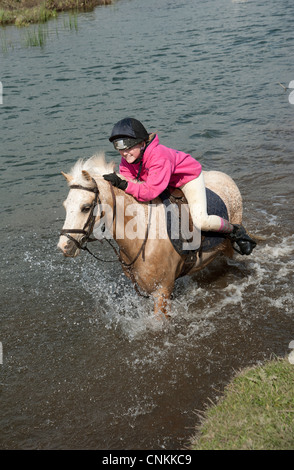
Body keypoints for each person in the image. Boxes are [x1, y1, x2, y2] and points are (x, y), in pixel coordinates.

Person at [103, 117, 256, 255]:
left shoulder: (158, 155)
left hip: (186, 179)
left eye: (128, 147)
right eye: (119, 148)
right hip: (163, 182)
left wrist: (124, 184)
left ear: (142, 143)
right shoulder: (127, 160)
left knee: (201, 221)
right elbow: (133, 185)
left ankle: (235, 231)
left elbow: (149, 191)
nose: (124, 153)